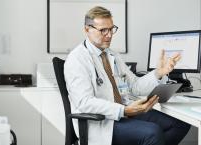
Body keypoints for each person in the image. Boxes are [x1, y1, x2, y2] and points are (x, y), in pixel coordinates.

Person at [64, 6, 190, 145]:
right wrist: (123, 110)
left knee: (180, 124)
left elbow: (135, 86)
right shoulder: (77, 59)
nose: (109, 34)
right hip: (102, 123)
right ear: (87, 29)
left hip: (125, 112)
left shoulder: (112, 55)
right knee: (152, 132)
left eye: (111, 29)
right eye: (103, 30)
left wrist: (159, 72)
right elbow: (84, 102)